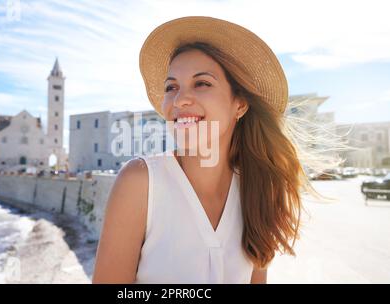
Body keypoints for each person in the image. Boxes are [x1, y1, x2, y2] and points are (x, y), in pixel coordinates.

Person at [92, 16, 339, 284]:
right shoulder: (140, 182)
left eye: (202, 83)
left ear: (240, 104)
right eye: (171, 87)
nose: (180, 99)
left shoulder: (256, 191)